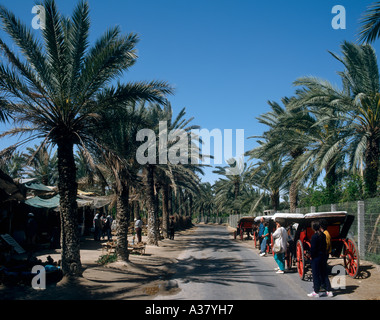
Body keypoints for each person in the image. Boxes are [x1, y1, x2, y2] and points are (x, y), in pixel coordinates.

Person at [308, 220, 331, 297]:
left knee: (315, 274)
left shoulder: (314, 237)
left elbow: (313, 248)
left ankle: (316, 290)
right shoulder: (323, 235)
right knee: (324, 273)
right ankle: (328, 290)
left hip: (316, 257)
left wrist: (311, 255)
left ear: (313, 228)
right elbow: (324, 246)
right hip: (323, 256)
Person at [319, 219, 333, 297]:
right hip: (326, 253)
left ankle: (326, 287)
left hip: (324, 254)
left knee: (322, 271)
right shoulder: (327, 233)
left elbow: (326, 245)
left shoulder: (324, 234)